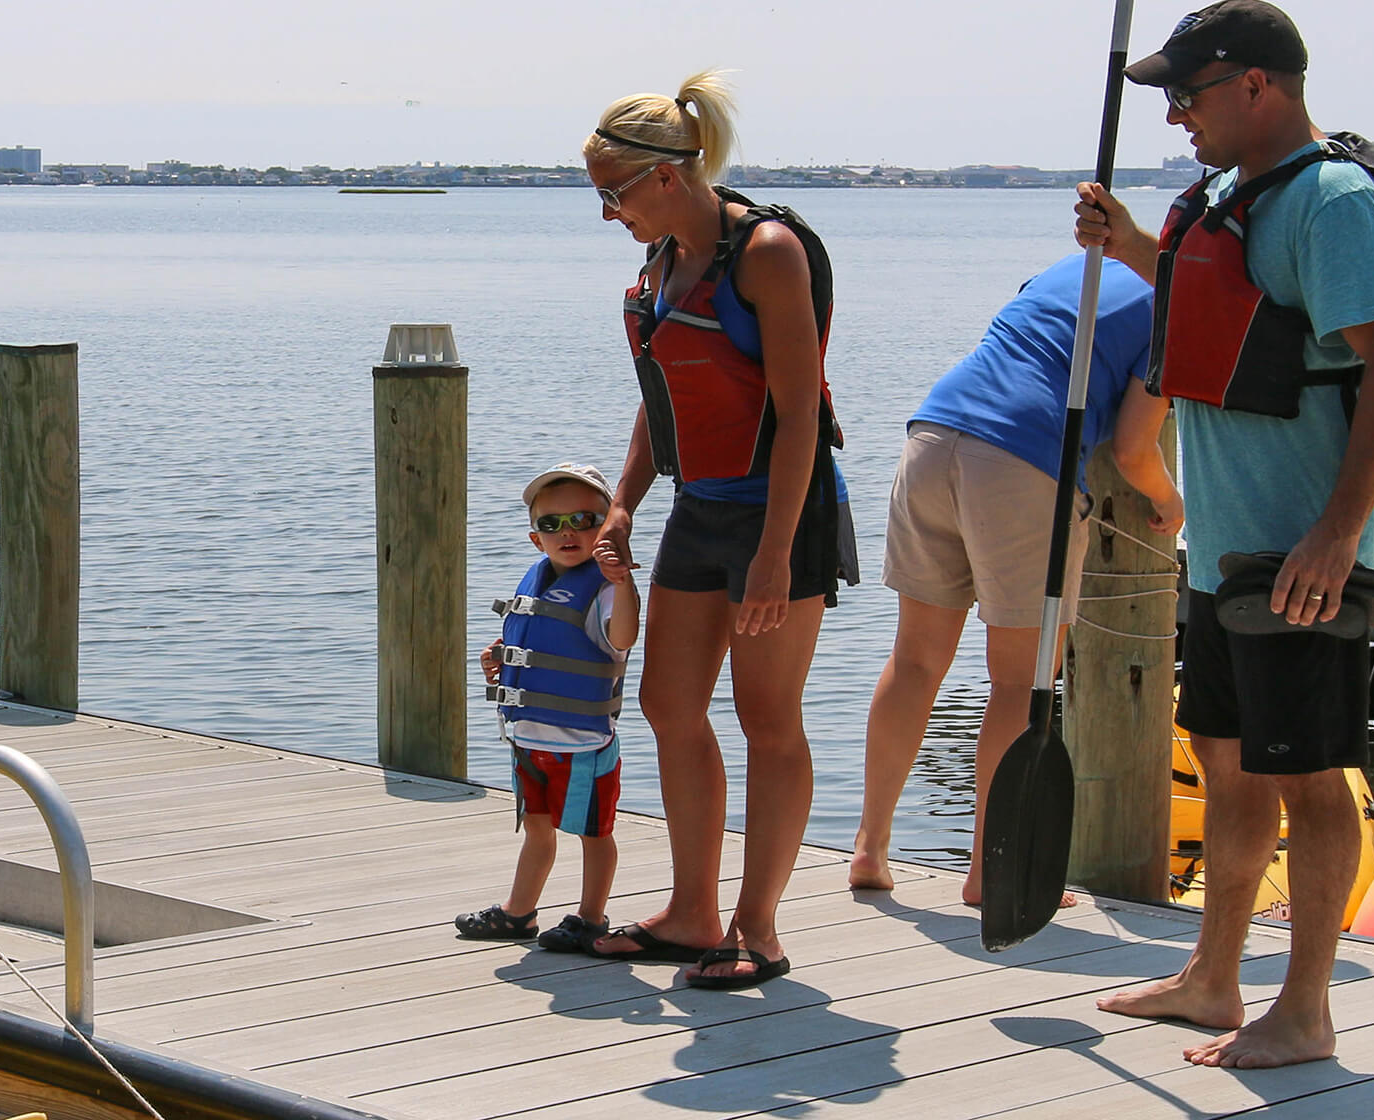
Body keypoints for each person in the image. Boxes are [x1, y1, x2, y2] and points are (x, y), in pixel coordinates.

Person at [1073, 0, 1374, 1070]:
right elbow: (1229, 318)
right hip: (1221, 552)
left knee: (1313, 778)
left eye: (1188, 92)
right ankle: (1214, 977)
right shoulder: (1226, 197)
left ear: (1256, 84)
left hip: (1297, 560)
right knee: (1228, 769)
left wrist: (1337, 534)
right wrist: (1131, 245)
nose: (1175, 114)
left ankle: (1307, 1008)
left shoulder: (1333, 200)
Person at [577, 71, 858, 991]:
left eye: (613, 194)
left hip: (783, 511)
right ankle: (693, 910)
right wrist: (624, 501)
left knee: (766, 718)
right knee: (667, 704)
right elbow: (664, 398)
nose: (608, 214)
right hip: (700, 508)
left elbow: (799, 415)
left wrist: (776, 553)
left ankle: (759, 927)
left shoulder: (768, 252)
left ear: (666, 177)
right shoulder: (662, 266)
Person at [848, 253, 1182, 906]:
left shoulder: (1080, 266)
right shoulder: (1180, 310)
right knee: (1020, 681)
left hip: (933, 434)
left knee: (915, 659)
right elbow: (1133, 449)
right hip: (1022, 461)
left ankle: (870, 846)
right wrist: (1169, 500)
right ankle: (991, 871)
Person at [456, 464, 639, 953]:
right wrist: (499, 657)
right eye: (552, 524)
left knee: (594, 834)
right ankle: (519, 914)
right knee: (537, 832)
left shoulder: (604, 590)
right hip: (527, 741)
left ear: (607, 527)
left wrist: (624, 583)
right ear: (536, 538)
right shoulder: (535, 581)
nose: (568, 532)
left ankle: (591, 917)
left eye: (583, 519)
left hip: (583, 744)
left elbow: (621, 638)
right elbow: (535, 641)